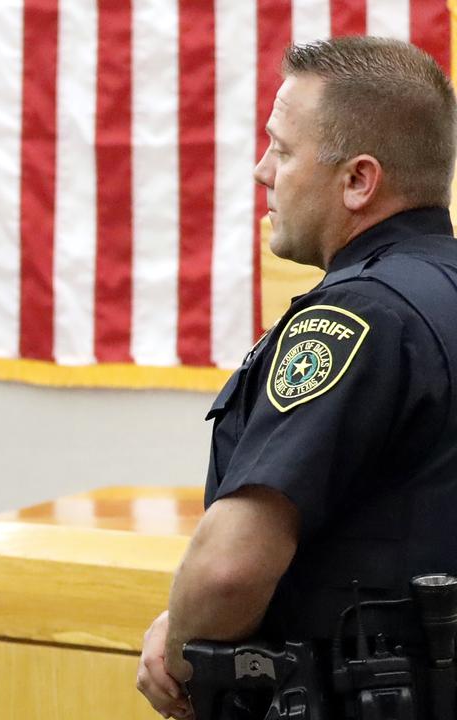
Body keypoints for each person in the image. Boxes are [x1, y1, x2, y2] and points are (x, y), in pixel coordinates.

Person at [136, 36, 457, 719]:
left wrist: (181, 652)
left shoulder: (356, 317)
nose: (261, 171)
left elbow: (229, 570)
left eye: (282, 150)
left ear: (358, 181)